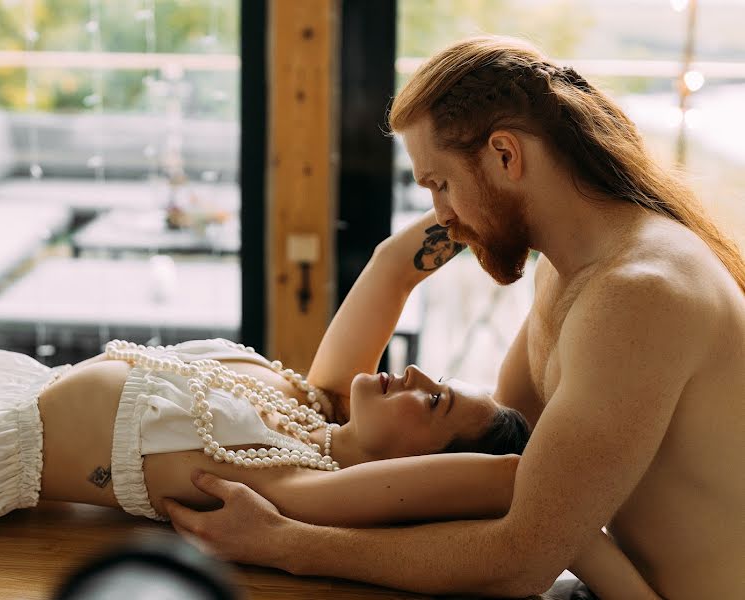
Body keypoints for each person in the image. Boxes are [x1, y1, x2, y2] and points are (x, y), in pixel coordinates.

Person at [163, 36, 745, 600]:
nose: (441, 215)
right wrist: (396, 262)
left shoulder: (637, 296)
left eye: (440, 184)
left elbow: (523, 559)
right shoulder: (570, 271)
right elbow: (507, 458)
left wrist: (285, 542)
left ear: (505, 154)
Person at [0, 211, 660, 597]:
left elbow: (510, 488)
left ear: (417, 470)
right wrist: (500, 208)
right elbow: (396, 267)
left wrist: (626, 588)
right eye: (437, 381)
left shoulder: (292, 483)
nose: (415, 373)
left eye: (433, 404)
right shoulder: (312, 406)